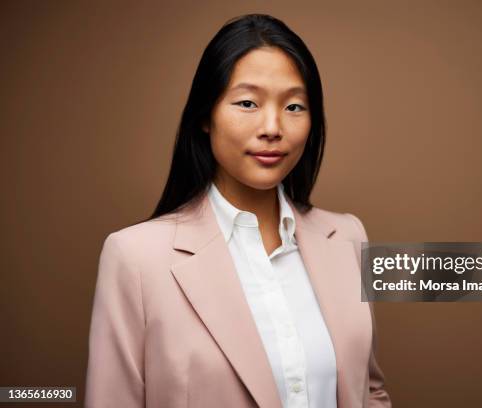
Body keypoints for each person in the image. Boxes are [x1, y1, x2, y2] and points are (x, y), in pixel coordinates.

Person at [85, 13, 391, 408]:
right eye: (247, 102)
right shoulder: (135, 258)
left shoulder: (348, 237)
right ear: (205, 117)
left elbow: (369, 392)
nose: (272, 126)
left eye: (294, 106)